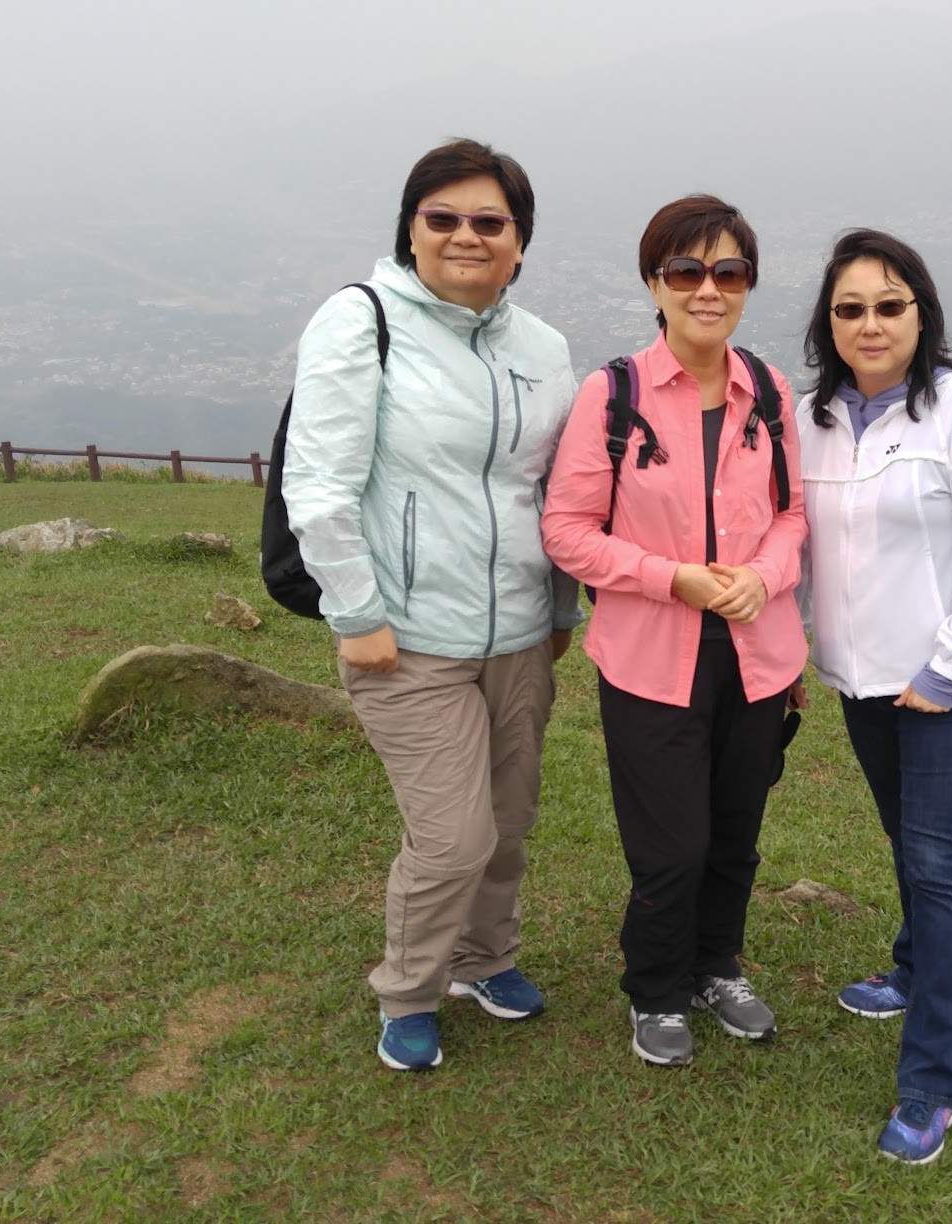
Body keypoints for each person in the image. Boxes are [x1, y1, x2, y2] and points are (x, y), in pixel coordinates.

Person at [281, 138, 581, 1072]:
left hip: (522, 633)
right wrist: (358, 614)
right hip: (406, 639)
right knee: (455, 837)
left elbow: (559, 492)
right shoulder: (359, 321)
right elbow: (320, 486)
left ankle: (486, 960)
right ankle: (409, 989)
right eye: (441, 217)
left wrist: (561, 609)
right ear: (409, 229)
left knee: (509, 821)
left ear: (519, 242)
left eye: (489, 221)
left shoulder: (544, 347)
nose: (465, 235)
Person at [542, 195, 807, 1067]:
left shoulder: (767, 391)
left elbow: (792, 514)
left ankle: (716, 965)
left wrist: (763, 578)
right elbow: (569, 530)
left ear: (747, 285)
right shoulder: (612, 393)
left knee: (735, 830)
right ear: (655, 282)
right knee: (672, 845)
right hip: (650, 661)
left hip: (757, 656)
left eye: (727, 272)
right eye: (686, 271)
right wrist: (675, 580)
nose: (707, 289)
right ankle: (655, 986)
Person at [795, 229, 952, 1161]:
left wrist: (947, 669)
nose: (871, 324)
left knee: (937, 863)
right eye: (850, 309)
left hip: (943, 688)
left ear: (920, 312)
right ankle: (912, 964)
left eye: (890, 305)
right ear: (829, 323)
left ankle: (934, 1078)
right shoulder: (812, 418)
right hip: (859, 678)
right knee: (905, 841)